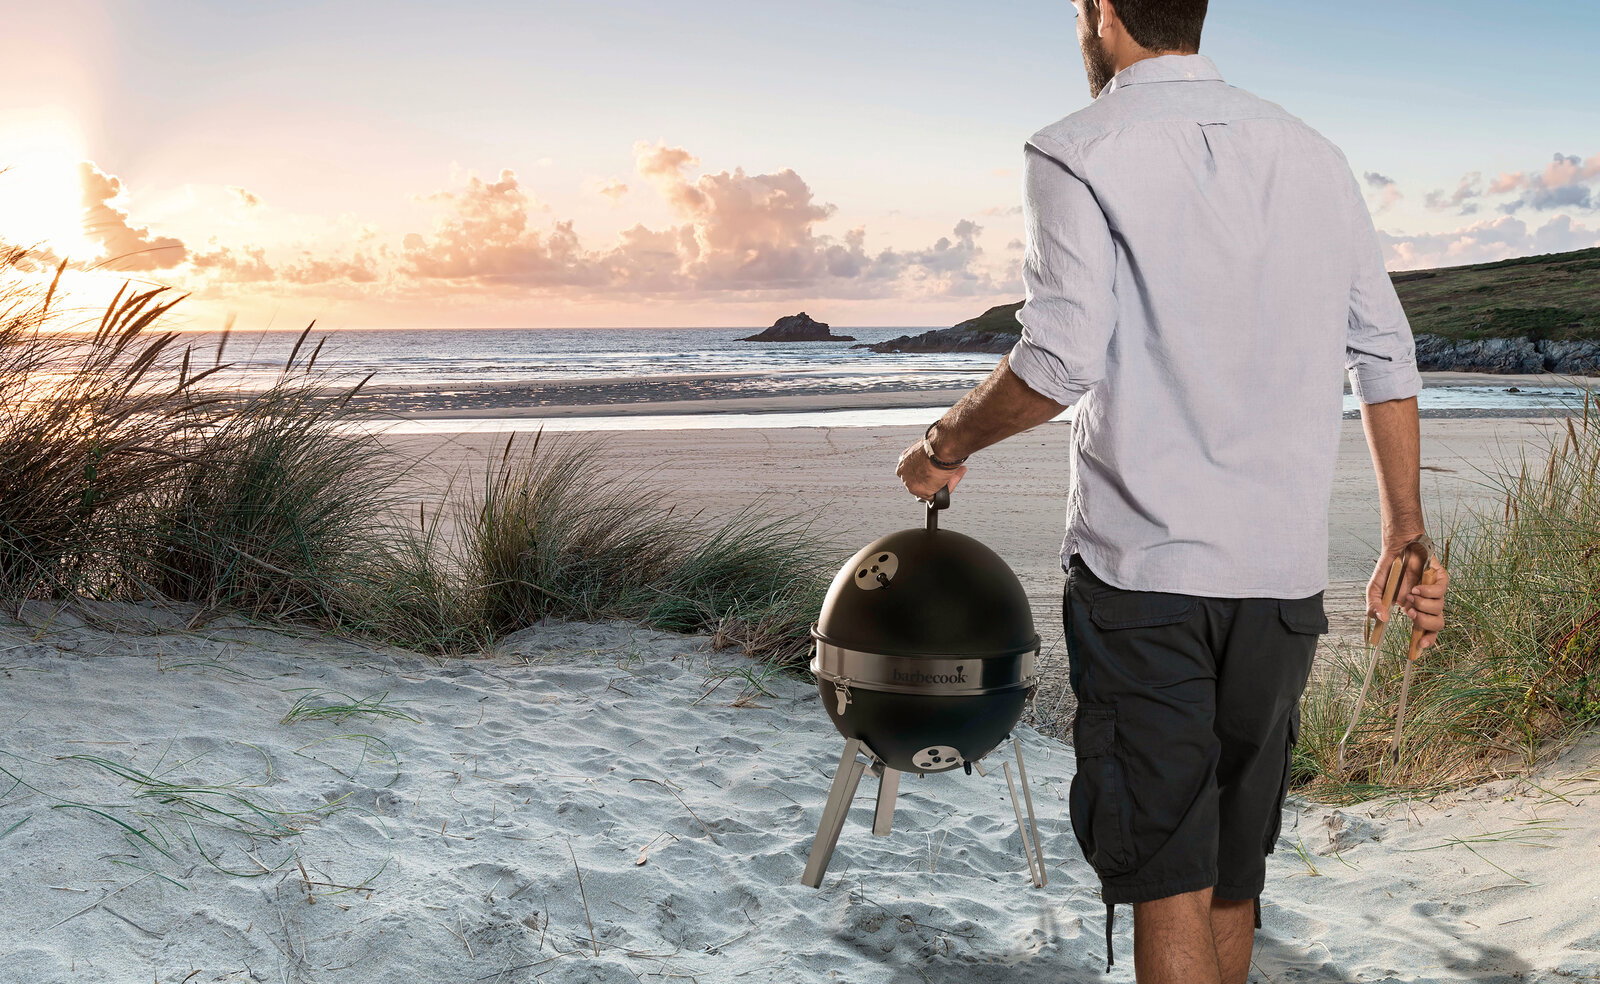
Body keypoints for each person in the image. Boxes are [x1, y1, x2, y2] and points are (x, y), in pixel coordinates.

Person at [894, 1, 1451, 981]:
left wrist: (947, 440)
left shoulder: (1074, 148)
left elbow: (1057, 360)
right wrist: (1404, 531)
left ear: (1101, 15)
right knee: (1233, 872)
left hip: (1143, 577)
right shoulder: (1313, 154)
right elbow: (1386, 350)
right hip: (1280, 580)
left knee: (1165, 872)